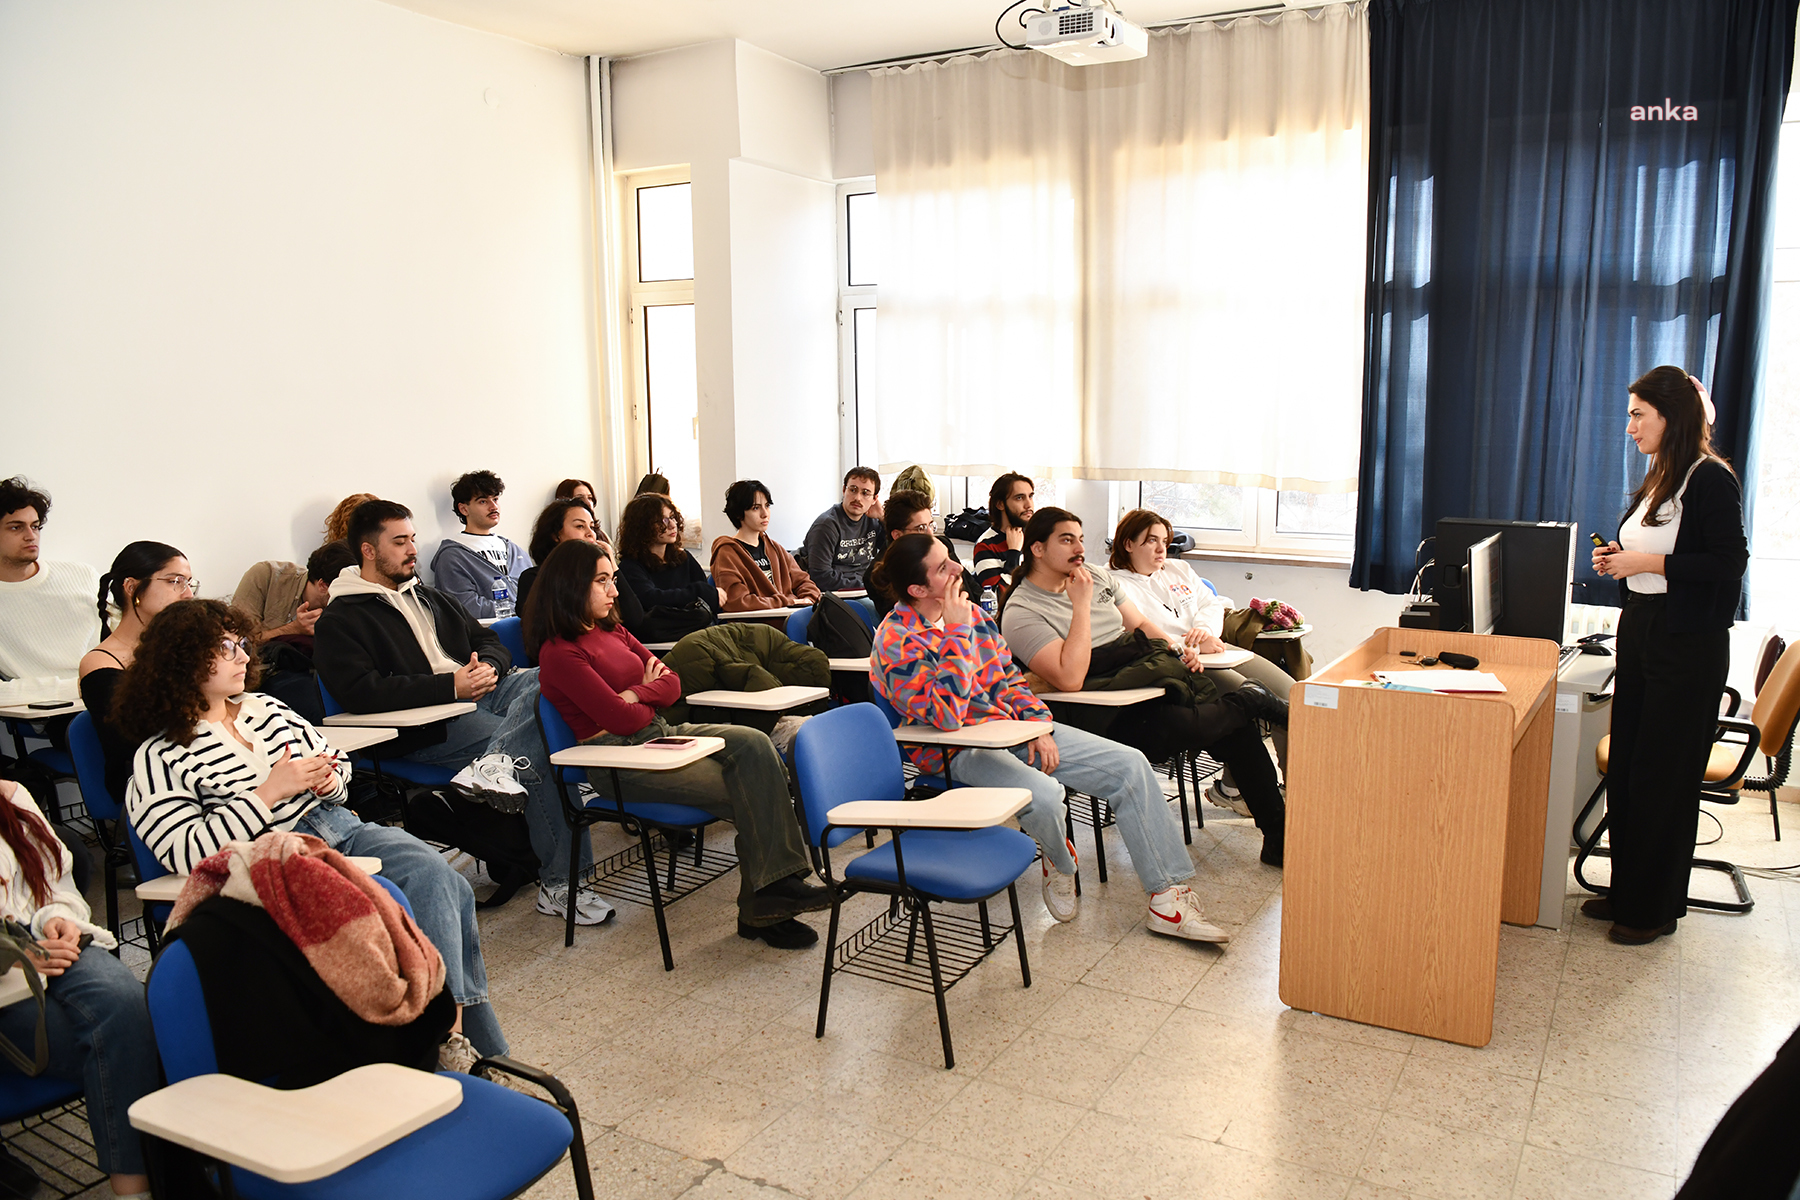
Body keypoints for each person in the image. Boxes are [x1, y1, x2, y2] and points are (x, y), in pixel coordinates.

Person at [117, 598, 509, 1064]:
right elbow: (186, 852)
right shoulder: (160, 756)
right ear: (180, 658)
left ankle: (449, 1036)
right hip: (270, 861)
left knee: (441, 879)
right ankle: (454, 1044)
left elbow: (336, 760)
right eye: (226, 648)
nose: (244, 656)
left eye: (241, 644)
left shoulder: (263, 708)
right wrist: (267, 794)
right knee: (393, 901)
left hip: (336, 825)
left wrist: (330, 778)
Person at [870, 535, 1228, 942]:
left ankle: (1168, 899)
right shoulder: (895, 639)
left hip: (1013, 728)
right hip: (954, 748)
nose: (957, 569)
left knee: (1130, 765)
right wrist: (955, 633)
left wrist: (1039, 726)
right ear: (918, 590)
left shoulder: (973, 615)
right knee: (1042, 794)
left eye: (951, 558)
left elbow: (1010, 680)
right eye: (942, 568)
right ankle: (1060, 861)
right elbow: (948, 717)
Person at [312, 500, 610, 928]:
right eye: (399, 542)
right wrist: (449, 686)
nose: (412, 549)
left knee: (553, 676)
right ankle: (564, 885)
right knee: (539, 752)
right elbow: (360, 692)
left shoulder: (429, 596)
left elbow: (487, 639)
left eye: (412, 538)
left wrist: (490, 666)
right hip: (428, 722)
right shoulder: (341, 619)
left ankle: (499, 763)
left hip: (480, 693)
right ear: (368, 550)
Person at [530, 538, 830, 948]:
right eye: (602, 581)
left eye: (612, 579)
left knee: (757, 746)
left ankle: (771, 894)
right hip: (618, 760)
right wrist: (642, 693)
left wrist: (635, 694)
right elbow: (617, 719)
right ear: (570, 586)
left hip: (658, 735)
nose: (615, 590)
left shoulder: (612, 629)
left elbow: (672, 686)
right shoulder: (559, 653)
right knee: (751, 785)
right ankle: (768, 902)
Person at [999, 508, 1288, 866]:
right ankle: (1250, 700)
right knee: (1204, 722)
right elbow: (1069, 679)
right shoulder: (1021, 611)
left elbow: (1141, 625)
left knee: (1235, 730)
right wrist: (1081, 607)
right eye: (1066, 539)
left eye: (1081, 538)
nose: (1079, 549)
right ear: (1038, 549)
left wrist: (1178, 650)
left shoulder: (1092, 576)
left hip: (1138, 684)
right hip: (1096, 713)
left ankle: (1278, 838)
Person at [1588, 366, 1747, 945]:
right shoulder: (1662, 476)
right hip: (1646, 629)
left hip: (1688, 644)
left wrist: (1646, 564)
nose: (1628, 425)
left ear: (1670, 416)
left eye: (1638, 414)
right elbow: (1652, 550)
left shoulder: (1710, 479)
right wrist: (1620, 560)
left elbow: (1728, 564)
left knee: (1663, 777)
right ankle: (1627, 890)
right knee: (1630, 766)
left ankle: (1652, 910)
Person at [0, 775, 156, 1200]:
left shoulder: (11, 796)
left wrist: (58, 917)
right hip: (6, 977)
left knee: (129, 1010)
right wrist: (10, 954)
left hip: (44, 942)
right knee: (121, 1045)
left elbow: (54, 885)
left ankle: (135, 1190)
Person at [1108, 508, 1297, 811]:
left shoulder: (1177, 570)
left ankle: (1296, 788)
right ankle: (1239, 790)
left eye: (1164, 540)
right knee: (1251, 698)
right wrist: (1190, 643)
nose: (1161, 548)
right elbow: (1137, 635)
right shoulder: (1116, 584)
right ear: (1128, 543)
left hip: (1216, 649)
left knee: (1295, 696)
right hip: (1184, 664)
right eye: (1151, 541)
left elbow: (1211, 604)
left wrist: (1206, 631)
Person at [78, 542, 196, 805]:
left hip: (195, 763)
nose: (187, 594)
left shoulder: (183, 647)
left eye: (188, 583)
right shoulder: (100, 663)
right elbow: (136, 742)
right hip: (149, 781)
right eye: (175, 581)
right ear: (132, 587)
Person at [0, 476, 102, 692]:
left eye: (35, 526)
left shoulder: (82, 575)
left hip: (109, 696)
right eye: (16, 528)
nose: (31, 536)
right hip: (48, 712)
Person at [615, 494, 722, 641]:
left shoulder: (684, 558)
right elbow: (650, 599)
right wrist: (697, 592)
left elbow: (706, 603)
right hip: (665, 641)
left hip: (699, 634)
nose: (672, 525)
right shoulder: (630, 567)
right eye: (662, 521)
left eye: (672, 517)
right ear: (642, 526)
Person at [429, 470, 532, 620]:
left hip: (532, 631)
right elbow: (466, 606)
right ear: (464, 509)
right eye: (483, 501)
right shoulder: (452, 556)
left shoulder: (514, 550)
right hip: (491, 636)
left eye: (495, 499)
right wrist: (520, 609)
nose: (493, 507)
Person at [863, 490, 976, 621]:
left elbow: (972, 591)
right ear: (898, 536)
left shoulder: (942, 545)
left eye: (930, 525)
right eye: (921, 528)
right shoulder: (878, 573)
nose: (930, 535)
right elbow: (905, 621)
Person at [711, 480, 821, 611]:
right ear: (738, 513)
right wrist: (789, 602)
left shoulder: (775, 549)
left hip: (789, 616)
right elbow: (737, 601)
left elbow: (804, 582)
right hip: (757, 625)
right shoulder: (727, 552)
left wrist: (808, 599)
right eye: (756, 508)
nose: (765, 514)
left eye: (767, 506)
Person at [233, 540, 357, 647]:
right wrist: (293, 629)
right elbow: (237, 642)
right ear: (323, 586)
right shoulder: (266, 576)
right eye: (348, 591)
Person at [800, 468, 884, 591]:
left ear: (874, 499)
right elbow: (820, 577)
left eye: (865, 493)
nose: (858, 498)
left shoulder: (874, 521)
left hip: (863, 590)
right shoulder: (826, 525)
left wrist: (882, 517)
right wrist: (866, 586)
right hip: (835, 594)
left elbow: (895, 550)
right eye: (853, 490)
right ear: (844, 490)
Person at [517, 497, 607, 609]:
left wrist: (611, 563)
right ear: (555, 535)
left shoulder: (600, 575)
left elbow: (632, 619)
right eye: (580, 526)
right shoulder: (534, 578)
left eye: (592, 527)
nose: (591, 533)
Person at [972, 473, 1035, 596]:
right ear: (1000, 504)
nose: (1029, 505)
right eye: (1019, 498)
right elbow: (997, 598)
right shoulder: (985, 545)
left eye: (1030, 496)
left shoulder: (1036, 536)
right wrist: (1014, 553)